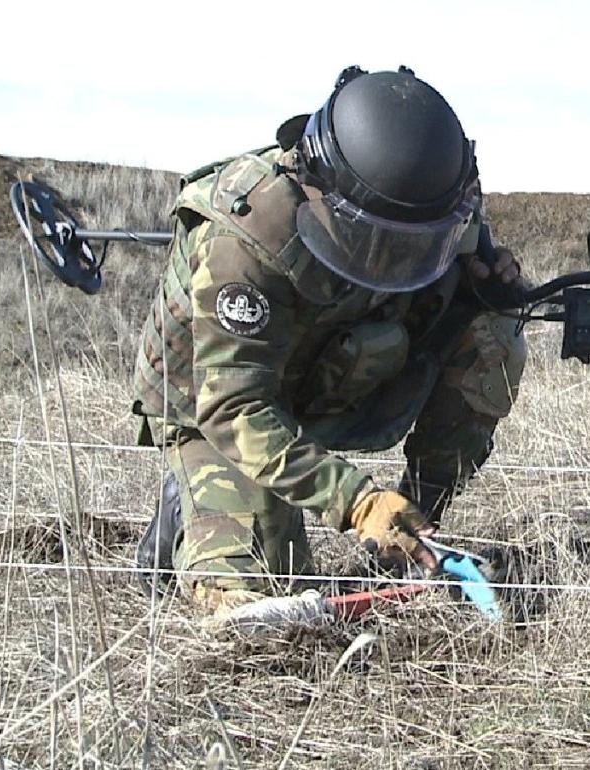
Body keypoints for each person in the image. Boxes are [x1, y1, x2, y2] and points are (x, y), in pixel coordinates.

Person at [132, 66, 526, 613]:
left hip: (336, 367)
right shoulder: (246, 236)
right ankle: (190, 503)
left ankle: (414, 534)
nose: (390, 258)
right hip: (221, 407)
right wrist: (356, 502)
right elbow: (234, 405)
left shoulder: (440, 207)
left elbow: (459, 278)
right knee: (261, 606)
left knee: (495, 339)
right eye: (373, 239)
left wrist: (488, 286)